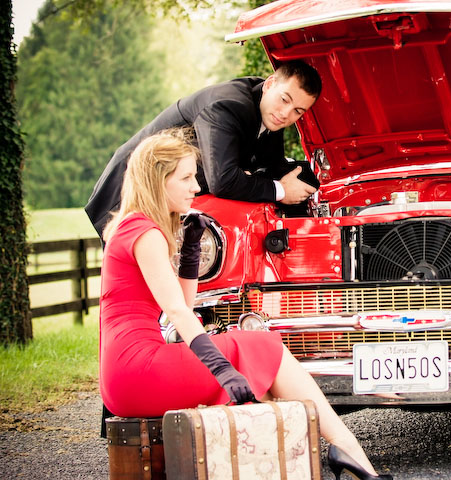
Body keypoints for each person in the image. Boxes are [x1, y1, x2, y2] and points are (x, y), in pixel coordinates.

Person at [99, 129, 391, 480]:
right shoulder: (144, 232)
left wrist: (191, 248)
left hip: (128, 372)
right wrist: (222, 369)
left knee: (260, 374)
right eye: (187, 177)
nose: (196, 187)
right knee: (264, 346)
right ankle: (350, 454)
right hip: (138, 370)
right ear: (158, 181)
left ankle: (326, 460)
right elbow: (177, 313)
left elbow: (181, 306)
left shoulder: (134, 226)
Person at [85, 60, 321, 236]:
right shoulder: (227, 106)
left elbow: (272, 166)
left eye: (298, 111)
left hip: (171, 199)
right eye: (285, 99)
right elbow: (224, 181)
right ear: (270, 84)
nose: (286, 114)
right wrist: (280, 190)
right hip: (129, 195)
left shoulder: (269, 113)